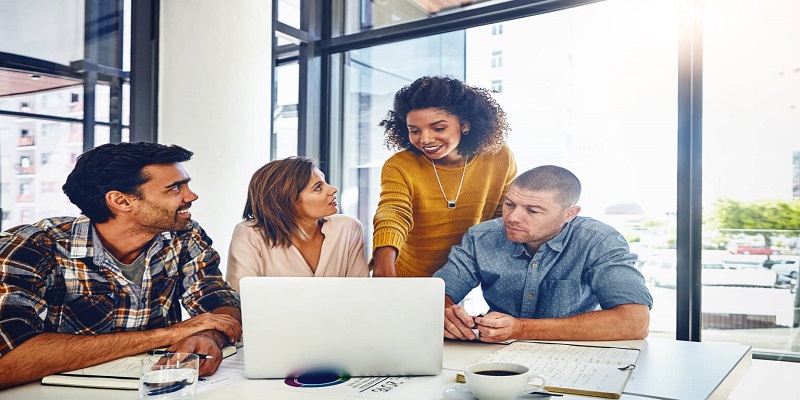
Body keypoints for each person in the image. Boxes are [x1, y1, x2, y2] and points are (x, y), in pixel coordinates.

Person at [0, 142, 242, 388]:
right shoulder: (30, 247)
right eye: (174, 188)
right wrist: (170, 334)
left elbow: (219, 302)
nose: (191, 196)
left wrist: (207, 335)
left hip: (153, 389)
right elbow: (7, 360)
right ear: (121, 201)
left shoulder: (184, 235)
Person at [433, 165, 653, 342]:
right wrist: (446, 314)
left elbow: (635, 321)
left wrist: (521, 329)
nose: (512, 218)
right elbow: (434, 294)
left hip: (575, 354)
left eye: (533, 210)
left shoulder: (599, 241)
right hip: (495, 355)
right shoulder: (481, 237)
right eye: (510, 204)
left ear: (569, 214)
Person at [372, 75, 517, 278]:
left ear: (465, 124)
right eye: (414, 130)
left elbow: (502, 219)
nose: (425, 139)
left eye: (438, 128)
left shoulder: (499, 157)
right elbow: (393, 212)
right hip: (405, 275)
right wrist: (383, 261)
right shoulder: (401, 164)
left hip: (462, 276)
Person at [226, 157, 368, 290]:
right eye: (318, 188)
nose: (333, 189)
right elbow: (241, 299)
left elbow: (360, 291)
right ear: (286, 201)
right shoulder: (249, 234)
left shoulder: (348, 228)